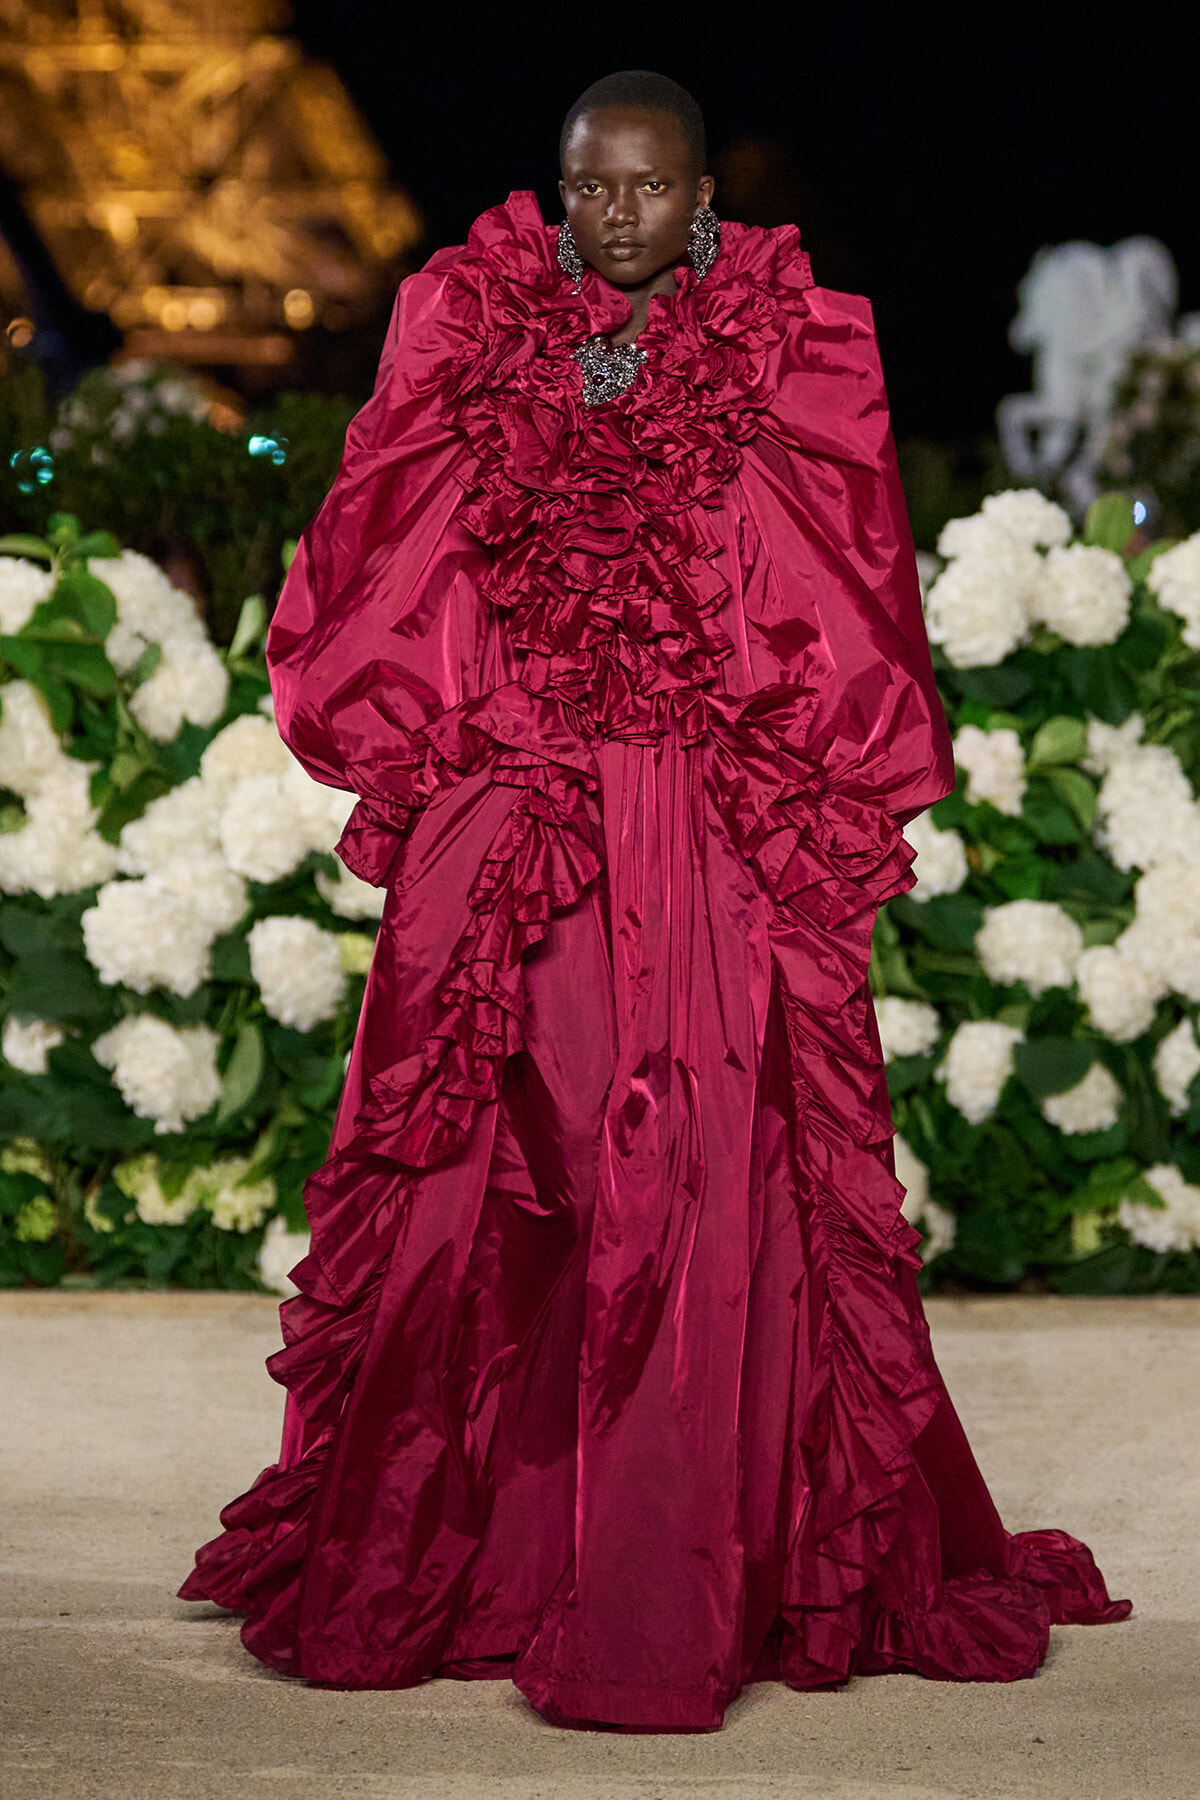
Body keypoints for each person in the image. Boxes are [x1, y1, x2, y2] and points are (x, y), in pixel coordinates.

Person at [180, 70, 1130, 1733]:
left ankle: (671, 1568)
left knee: (691, 1165)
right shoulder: (464, 324)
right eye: (591, 189)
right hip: (519, 803)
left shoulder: (798, 343)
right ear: (563, 193)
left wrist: (789, 780)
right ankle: (479, 1553)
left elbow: (838, 573)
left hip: (694, 819)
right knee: (491, 1166)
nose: (617, 214)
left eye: (650, 188)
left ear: (704, 199)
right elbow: (385, 549)